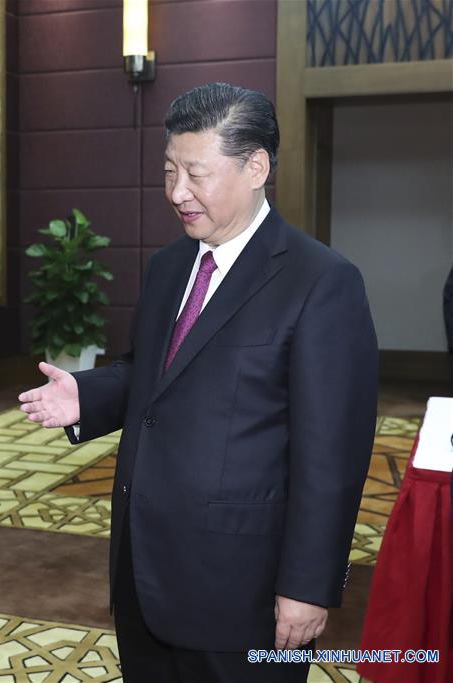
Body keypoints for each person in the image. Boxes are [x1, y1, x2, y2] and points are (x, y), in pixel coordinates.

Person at [19, 83, 378, 682]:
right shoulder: (168, 266)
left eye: (196, 174)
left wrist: (308, 585)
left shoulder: (321, 282)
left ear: (256, 166)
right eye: (168, 171)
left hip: (244, 589)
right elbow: (153, 373)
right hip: (143, 570)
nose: (177, 193)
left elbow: (332, 457)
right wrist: (90, 394)